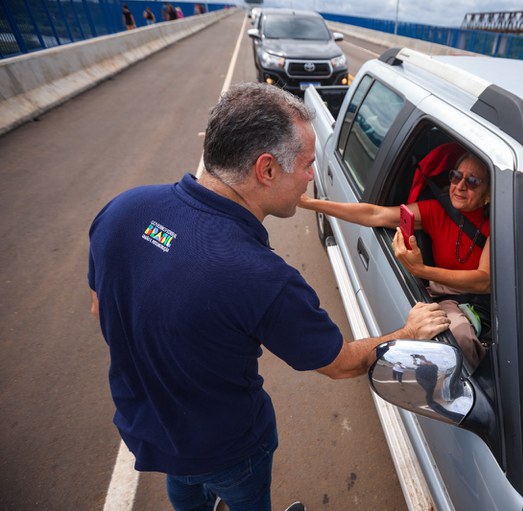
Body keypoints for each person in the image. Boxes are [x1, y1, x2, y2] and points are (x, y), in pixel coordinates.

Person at [87, 83, 449, 511]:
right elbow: (340, 363)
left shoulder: (124, 208)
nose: (311, 176)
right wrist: (408, 332)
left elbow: (100, 307)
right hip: (228, 448)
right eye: (307, 164)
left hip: (149, 429)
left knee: (183, 483)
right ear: (267, 169)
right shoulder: (262, 277)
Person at [299, 152, 491, 370]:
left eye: (472, 181)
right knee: (460, 337)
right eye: (456, 176)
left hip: (489, 302)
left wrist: (421, 270)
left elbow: (484, 280)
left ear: (488, 193)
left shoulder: (495, 226)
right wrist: (311, 203)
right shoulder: (436, 211)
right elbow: (375, 214)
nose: (460, 186)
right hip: (453, 300)